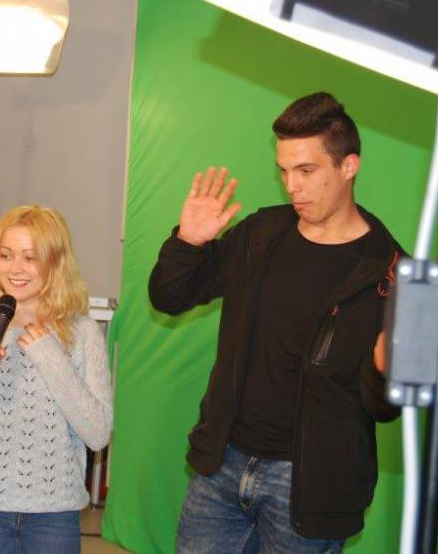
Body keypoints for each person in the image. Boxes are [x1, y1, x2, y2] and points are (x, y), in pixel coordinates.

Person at [149, 93, 403, 552]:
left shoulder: (389, 272)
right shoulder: (260, 234)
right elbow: (170, 297)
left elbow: (382, 408)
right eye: (284, 171)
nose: (292, 186)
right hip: (222, 464)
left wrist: (386, 370)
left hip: (310, 485)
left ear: (349, 166)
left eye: (306, 171)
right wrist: (188, 242)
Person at [0, 205, 113, 554]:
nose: (15, 268)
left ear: (55, 262)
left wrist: (51, 357)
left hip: (55, 516)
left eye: (30, 257)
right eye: (6, 255)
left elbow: (98, 435)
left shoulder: (84, 333)